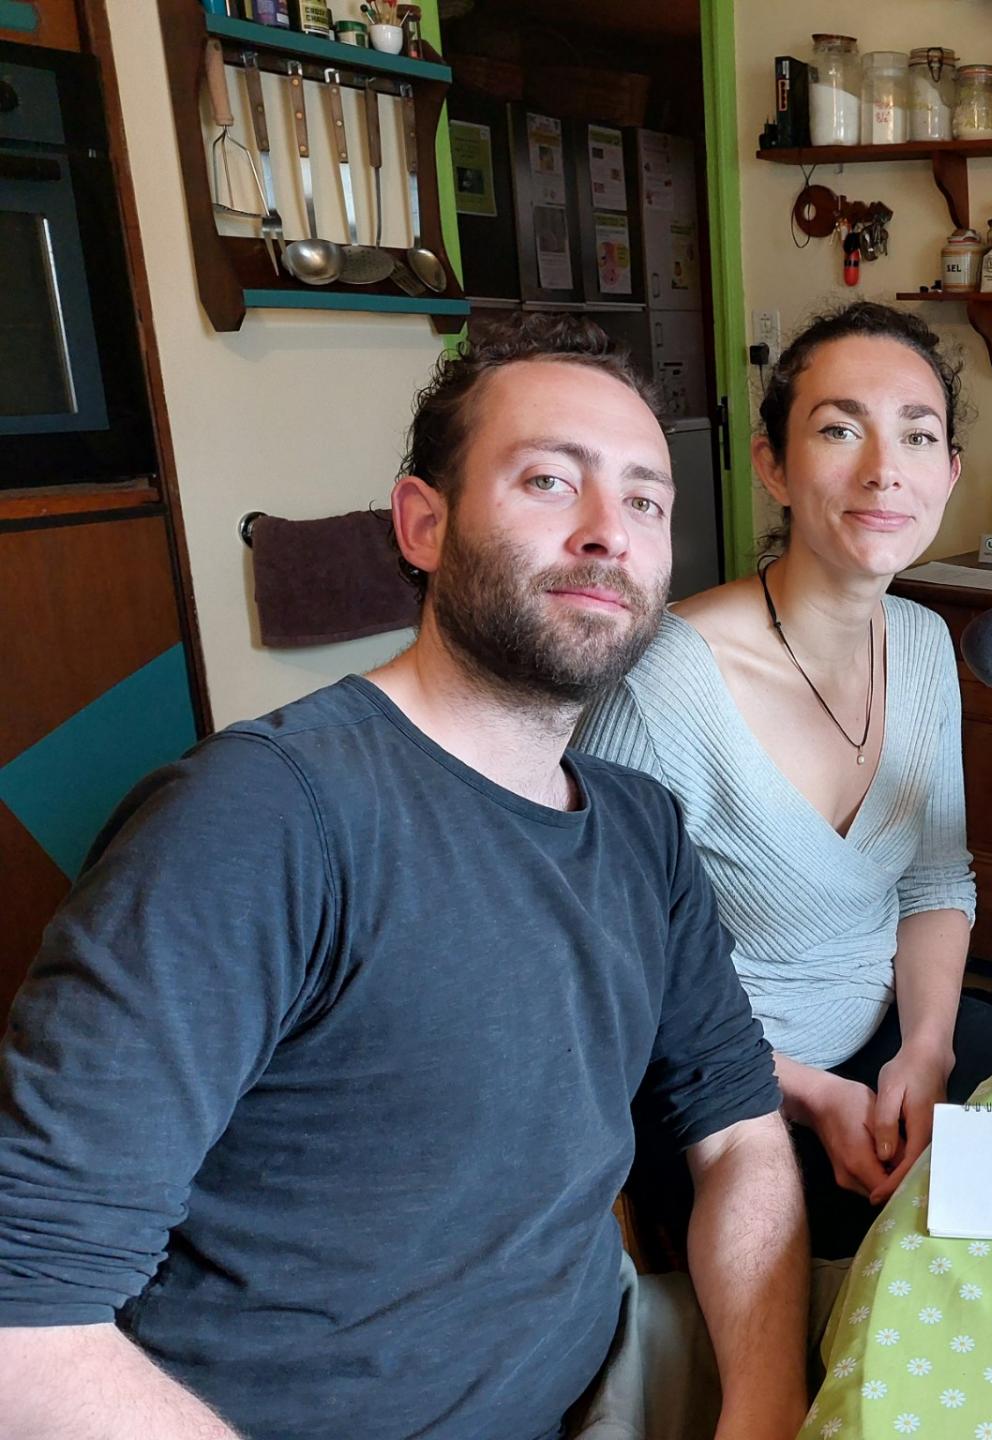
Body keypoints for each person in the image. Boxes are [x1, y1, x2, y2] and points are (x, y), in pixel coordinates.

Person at [0, 316, 810, 1440]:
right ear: (423, 525)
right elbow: (24, 1323)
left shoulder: (641, 830)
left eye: (644, 501)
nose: (606, 535)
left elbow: (738, 1132)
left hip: (596, 1380)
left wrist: (765, 1415)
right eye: (546, 481)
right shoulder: (262, 818)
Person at [577, 302, 992, 1259]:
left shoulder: (919, 645)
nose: (884, 470)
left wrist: (928, 1048)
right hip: (723, 1094)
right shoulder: (662, 688)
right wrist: (816, 1094)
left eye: (918, 436)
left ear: (950, 472)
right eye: (839, 430)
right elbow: (609, 981)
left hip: (892, 1045)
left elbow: (933, 882)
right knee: (938, 1268)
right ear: (774, 466)